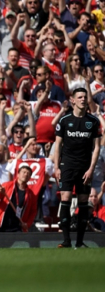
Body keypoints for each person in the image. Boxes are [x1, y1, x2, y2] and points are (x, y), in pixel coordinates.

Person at [54, 88, 101, 248]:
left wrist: (91, 168)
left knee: (83, 202)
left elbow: (96, 147)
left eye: (84, 97)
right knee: (65, 198)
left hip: (84, 167)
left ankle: (80, 242)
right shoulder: (64, 120)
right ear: (73, 100)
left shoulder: (93, 122)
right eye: (79, 97)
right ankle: (66, 240)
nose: (83, 99)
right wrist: (56, 167)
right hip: (67, 165)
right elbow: (58, 145)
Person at [0, 165, 37, 232]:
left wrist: (28, 224)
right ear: (18, 174)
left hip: (16, 227)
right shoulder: (6, 185)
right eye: (24, 172)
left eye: (28, 174)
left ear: (30, 178)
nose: (26, 174)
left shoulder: (31, 194)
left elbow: (33, 211)